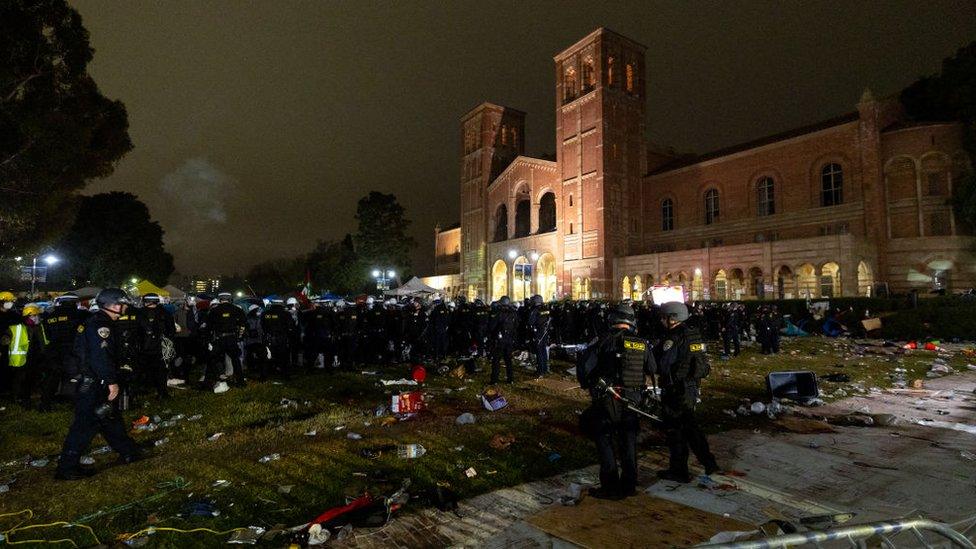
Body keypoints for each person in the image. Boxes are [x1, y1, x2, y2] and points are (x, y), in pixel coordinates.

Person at [56, 288, 141, 481]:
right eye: (124, 304)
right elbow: (100, 358)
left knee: (110, 418)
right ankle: (67, 468)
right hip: (95, 383)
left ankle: (129, 451)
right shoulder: (102, 326)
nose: (126, 308)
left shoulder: (98, 322)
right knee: (85, 425)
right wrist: (112, 382)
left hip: (95, 381)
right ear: (114, 305)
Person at [577, 303, 656, 499]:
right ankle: (629, 485)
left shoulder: (602, 341)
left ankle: (610, 486)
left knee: (605, 441)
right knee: (628, 441)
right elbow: (653, 367)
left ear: (612, 320)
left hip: (608, 398)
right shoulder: (641, 343)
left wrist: (589, 384)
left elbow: (584, 369)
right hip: (633, 400)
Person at [654, 301, 719, 483]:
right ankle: (709, 462)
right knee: (691, 427)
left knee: (676, 431)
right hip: (691, 387)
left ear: (672, 319)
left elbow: (663, 364)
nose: (661, 321)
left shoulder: (673, 337)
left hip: (676, 389)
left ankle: (679, 471)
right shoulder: (693, 334)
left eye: (663, 317)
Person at [41, 293, 89, 411]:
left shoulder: (49, 315)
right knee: (75, 377)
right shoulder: (80, 314)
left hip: (53, 351)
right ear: (74, 302)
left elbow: (46, 334)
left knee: (52, 377)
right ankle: (76, 403)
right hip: (72, 351)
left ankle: (45, 405)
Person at [8, 303, 48, 409]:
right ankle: (19, 398)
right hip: (23, 358)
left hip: (37, 358)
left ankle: (27, 397)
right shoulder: (18, 327)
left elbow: (43, 341)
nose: (37, 317)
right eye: (34, 316)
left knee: (32, 378)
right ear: (28, 316)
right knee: (21, 379)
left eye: (37, 316)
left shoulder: (39, 326)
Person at [137, 293, 176, 398]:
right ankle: (162, 392)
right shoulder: (166, 313)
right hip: (160, 348)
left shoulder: (139, 313)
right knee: (161, 371)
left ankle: (142, 390)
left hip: (143, 348)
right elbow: (172, 331)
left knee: (142, 370)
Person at [204, 292, 247, 387]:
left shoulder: (214, 311)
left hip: (219, 338)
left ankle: (207, 382)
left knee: (212, 360)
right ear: (230, 299)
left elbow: (208, 327)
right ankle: (240, 382)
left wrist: (209, 340)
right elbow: (243, 324)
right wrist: (239, 336)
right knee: (236, 360)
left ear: (220, 299)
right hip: (232, 338)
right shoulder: (236, 309)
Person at [261, 297, 295, 379]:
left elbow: (262, 325)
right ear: (281, 304)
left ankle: (264, 376)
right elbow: (290, 327)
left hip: (268, 338)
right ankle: (285, 375)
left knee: (266, 357)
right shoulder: (286, 314)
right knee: (283, 357)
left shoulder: (265, 313)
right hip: (281, 338)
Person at [488, 296, 518, 384]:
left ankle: (494, 380)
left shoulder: (497, 312)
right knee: (508, 360)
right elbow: (516, 326)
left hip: (499, 340)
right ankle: (510, 379)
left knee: (496, 360)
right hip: (509, 340)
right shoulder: (513, 312)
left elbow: (491, 327)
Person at [526, 295, 551, 377]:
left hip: (538, 333)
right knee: (543, 351)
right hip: (545, 332)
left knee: (539, 352)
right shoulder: (545, 308)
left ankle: (540, 371)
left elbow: (530, 322)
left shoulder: (534, 310)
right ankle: (545, 369)